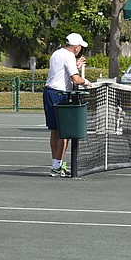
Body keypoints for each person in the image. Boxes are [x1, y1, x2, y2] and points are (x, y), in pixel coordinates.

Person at [43, 33, 92, 177]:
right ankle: (57, 166)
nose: (80, 49)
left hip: (49, 93)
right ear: (76, 47)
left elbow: (61, 70)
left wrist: (76, 65)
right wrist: (87, 82)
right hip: (60, 95)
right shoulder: (69, 56)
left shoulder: (56, 53)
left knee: (55, 131)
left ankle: (56, 165)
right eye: (80, 47)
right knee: (64, 132)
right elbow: (75, 79)